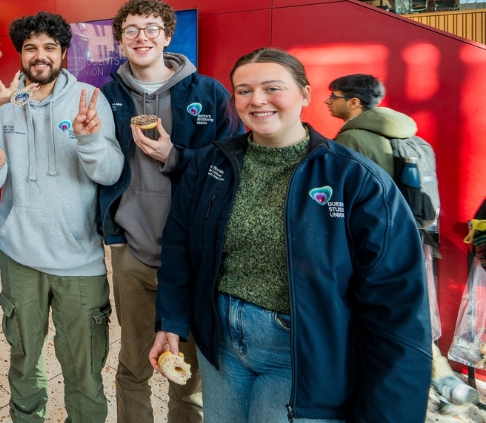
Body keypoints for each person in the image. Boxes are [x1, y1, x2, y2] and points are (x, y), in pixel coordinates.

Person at [151, 48, 431, 423]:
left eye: (272, 88)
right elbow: (179, 246)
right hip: (220, 346)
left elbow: (395, 300)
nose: (258, 100)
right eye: (244, 90)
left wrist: (387, 410)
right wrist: (170, 320)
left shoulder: (354, 179)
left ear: (305, 94)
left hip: (300, 352)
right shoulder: (210, 163)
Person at [0, 11, 125, 423]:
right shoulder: (6, 108)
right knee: (24, 363)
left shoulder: (88, 102)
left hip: (80, 262)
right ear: (21, 55)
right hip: (19, 256)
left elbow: (110, 172)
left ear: (62, 53)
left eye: (48, 48)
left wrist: (89, 139)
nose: (39, 56)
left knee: (85, 372)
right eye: (30, 48)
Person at [99, 0, 243, 423]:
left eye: (150, 28)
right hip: (133, 252)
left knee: (191, 379)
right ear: (121, 42)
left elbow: (230, 165)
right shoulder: (108, 96)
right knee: (134, 366)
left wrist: (173, 155)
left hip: (196, 256)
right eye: (131, 31)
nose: (141, 37)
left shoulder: (209, 92)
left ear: (166, 36)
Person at [326, 73, 471, 409]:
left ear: (354, 103)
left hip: (372, 245)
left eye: (333, 95)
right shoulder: (413, 137)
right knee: (410, 311)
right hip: (417, 240)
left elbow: (341, 201)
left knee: (378, 317)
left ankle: (424, 385)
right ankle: (442, 384)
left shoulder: (353, 140)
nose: (327, 101)